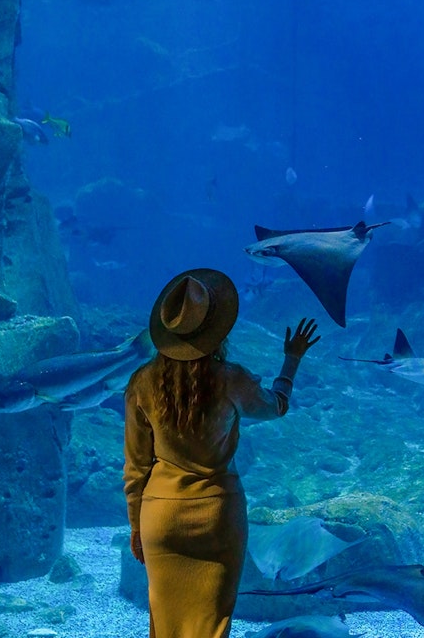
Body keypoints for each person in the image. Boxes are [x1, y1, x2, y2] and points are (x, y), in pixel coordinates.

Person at [123, 268, 320, 638]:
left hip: (161, 518)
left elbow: (136, 467)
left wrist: (136, 525)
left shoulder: (142, 382)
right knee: (211, 624)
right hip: (217, 516)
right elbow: (276, 406)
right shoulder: (231, 379)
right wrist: (291, 360)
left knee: (165, 625)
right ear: (216, 330)